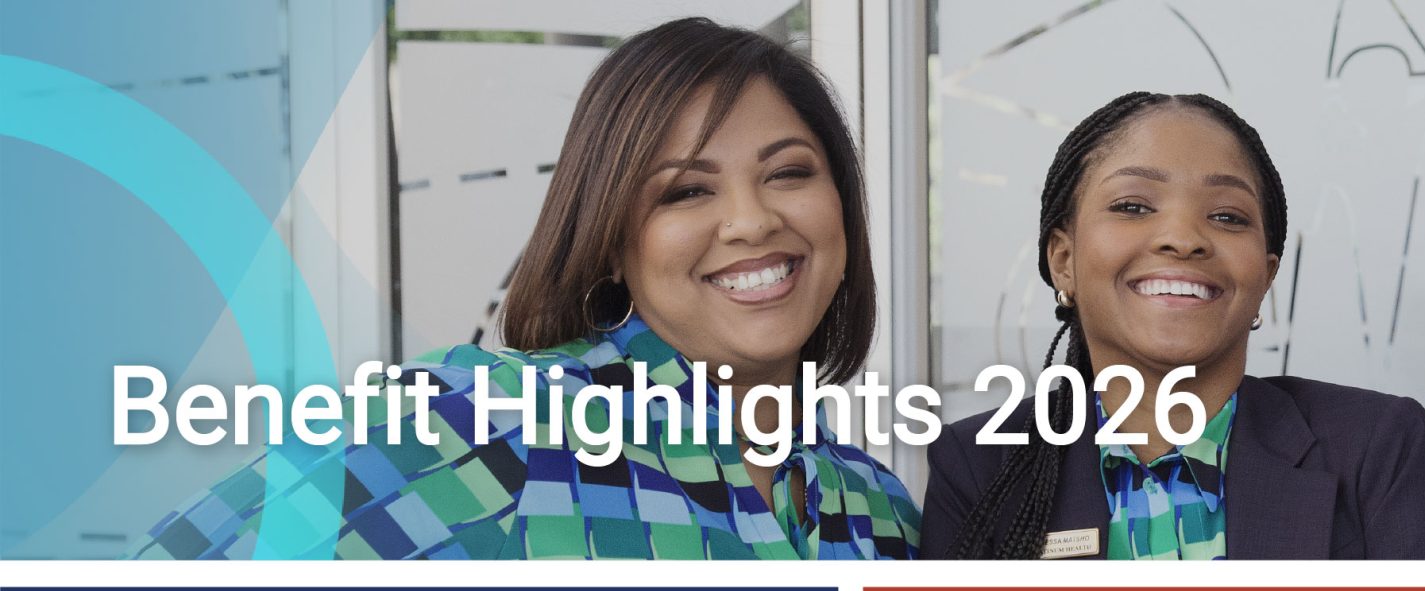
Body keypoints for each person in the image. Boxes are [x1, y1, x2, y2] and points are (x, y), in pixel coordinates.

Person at [132, 18, 919, 560]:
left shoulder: (882, 512)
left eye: (788, 174)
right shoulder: (500, 420)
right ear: (612, 242)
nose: (751, 221)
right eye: (685, 191)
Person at [924, 92, 1425, 560]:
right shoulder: (980, 465)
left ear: (1265, 276)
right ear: (1064, 261)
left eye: (1227, 216)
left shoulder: (1375, 443)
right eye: (1132, 206)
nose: (1183, 237)